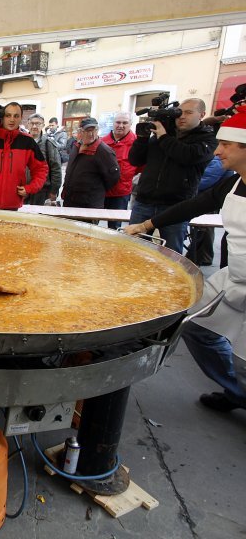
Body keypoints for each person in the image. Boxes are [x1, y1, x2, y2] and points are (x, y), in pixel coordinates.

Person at [123, 106, 246, 412]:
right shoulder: (231, 184)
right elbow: (194, 205)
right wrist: (146, 225)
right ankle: (237, 393)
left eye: (226, 145)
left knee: (245, 361)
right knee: (194, 325)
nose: (217, 152)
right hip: (234, 279)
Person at [127, 98, 216, 254]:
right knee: (133, 248)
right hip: (144, 202)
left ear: (201, 114)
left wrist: (163, 137)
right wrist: (141, 139)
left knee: (171, 253)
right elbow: (135, 160)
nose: (182, 117)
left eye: (189, 113)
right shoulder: (163, 134)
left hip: (176, 206)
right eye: (179, 113)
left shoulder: (207, 138)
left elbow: (188, 156)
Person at [0, 102, 48, 210]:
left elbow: (41, 169)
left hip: (12, 205)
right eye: (8, 115)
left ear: (21, 118)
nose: (12, 120)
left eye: (16, 116)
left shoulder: (27, 142)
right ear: (2, 117)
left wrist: (30, 188)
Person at [61, 117, 120, 209]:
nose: (91, 134)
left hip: (89, 205)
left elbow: (113, 177)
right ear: (80, 131)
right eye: (88, 131)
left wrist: (93, 191)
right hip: (70, 201)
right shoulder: (77, 145)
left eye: (95, 130)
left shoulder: (104, 151)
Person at [101, 112, 138, 228]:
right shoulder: (102, 142)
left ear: (130, 124)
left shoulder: (137, 144)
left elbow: (140, 167)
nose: (121, 125)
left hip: (120, 194)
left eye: (125, 123)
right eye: (118, 122)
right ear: (113, 124)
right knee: (93, 224)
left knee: (115, 227)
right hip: (101, 191)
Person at [24, 113, 61, 206]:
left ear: (43, 126)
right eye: (32, 123)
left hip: (42, 192)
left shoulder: (48, 144)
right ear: (27, 125)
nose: (34, 126)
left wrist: (54, 191)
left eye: (38, 123)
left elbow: (56, 169)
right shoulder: (21, 142)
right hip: (24, 191)